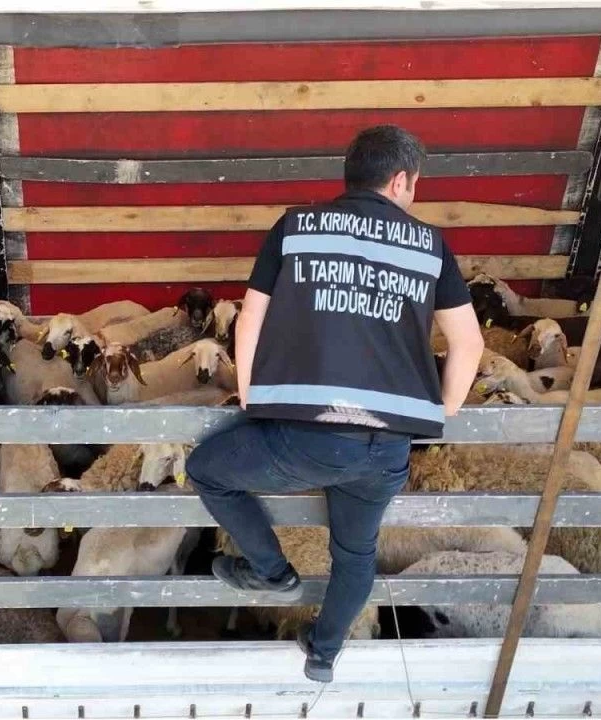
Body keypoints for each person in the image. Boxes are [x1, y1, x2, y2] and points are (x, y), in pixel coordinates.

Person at [185, 124, 485, 683]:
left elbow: (250, 316)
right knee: (356, 553)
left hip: (309, 437)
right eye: (414, 183)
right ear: (400, 180)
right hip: (387, 448)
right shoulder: (431, 246)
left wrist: (250, 390)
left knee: (207, 469)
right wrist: (443, 409)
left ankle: (273, 574)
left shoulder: (296, 228)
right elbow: (468, 342)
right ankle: (322, 654)